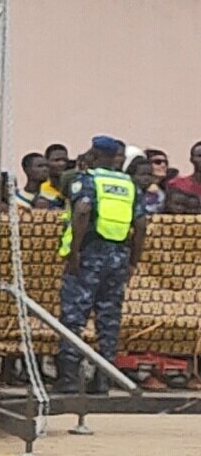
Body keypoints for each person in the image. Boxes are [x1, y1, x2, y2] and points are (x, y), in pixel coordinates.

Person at [55, 136, 145, 394]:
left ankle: (69, 379)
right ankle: (103, 378)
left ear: (95, 153)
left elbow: (82, 211)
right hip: (118, 257)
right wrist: (133, 261)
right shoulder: (130, 186)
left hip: (88, 254)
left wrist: (74, 253)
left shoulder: (87, 181)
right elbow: (140, 226)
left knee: (74, 315)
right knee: (109, 318)